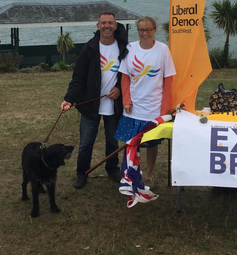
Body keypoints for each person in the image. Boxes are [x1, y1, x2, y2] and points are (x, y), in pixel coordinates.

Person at [61, 12, 128, 189]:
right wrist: (69, 99)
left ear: (115, 26)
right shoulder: (89, 48)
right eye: (103, 23)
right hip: (91, 105)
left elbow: (130, 75)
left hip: (114, 106)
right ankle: (81, 173)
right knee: (86, 143)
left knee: (113, 142)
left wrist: (119, 88)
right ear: (98, 26)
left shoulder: (124, 48)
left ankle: (112, 169)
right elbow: (78, 77)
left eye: (110, 23)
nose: (107, 26)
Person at [114, 16, 176, 186]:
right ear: (138, 31)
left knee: (150, 143)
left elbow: (169, 80)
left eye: (148, 29)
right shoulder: (130, 48)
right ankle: (132, 172)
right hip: (134, 106)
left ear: (154, 30)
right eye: (141, 29)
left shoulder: (163, 49)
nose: (145, 33)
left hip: (154, 106)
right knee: (131, 142)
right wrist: (126, 100)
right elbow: (125, 77)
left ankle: (149, 174)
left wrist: (165, 109)